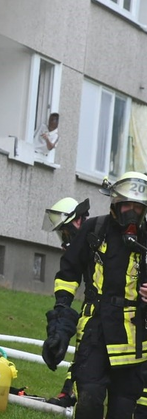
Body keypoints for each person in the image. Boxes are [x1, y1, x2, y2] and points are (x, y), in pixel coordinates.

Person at [42, 171, 147, 419]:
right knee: (89, 401)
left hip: (133, 340)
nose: (132, 212)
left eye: (138, 207)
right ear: (116, 204)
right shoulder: (95, 229)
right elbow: (68, 273)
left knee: (123, 411)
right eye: (127, 205)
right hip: (95, 333)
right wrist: (60, 320)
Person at [41, 196, 91, 409]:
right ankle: (69, 392)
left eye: (66, 233)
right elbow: (67, 279)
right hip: (96, 307)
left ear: (78, 222)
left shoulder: (101, 242)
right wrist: (58, 326)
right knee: (86, 342)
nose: (64, 241)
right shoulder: (84, 249)